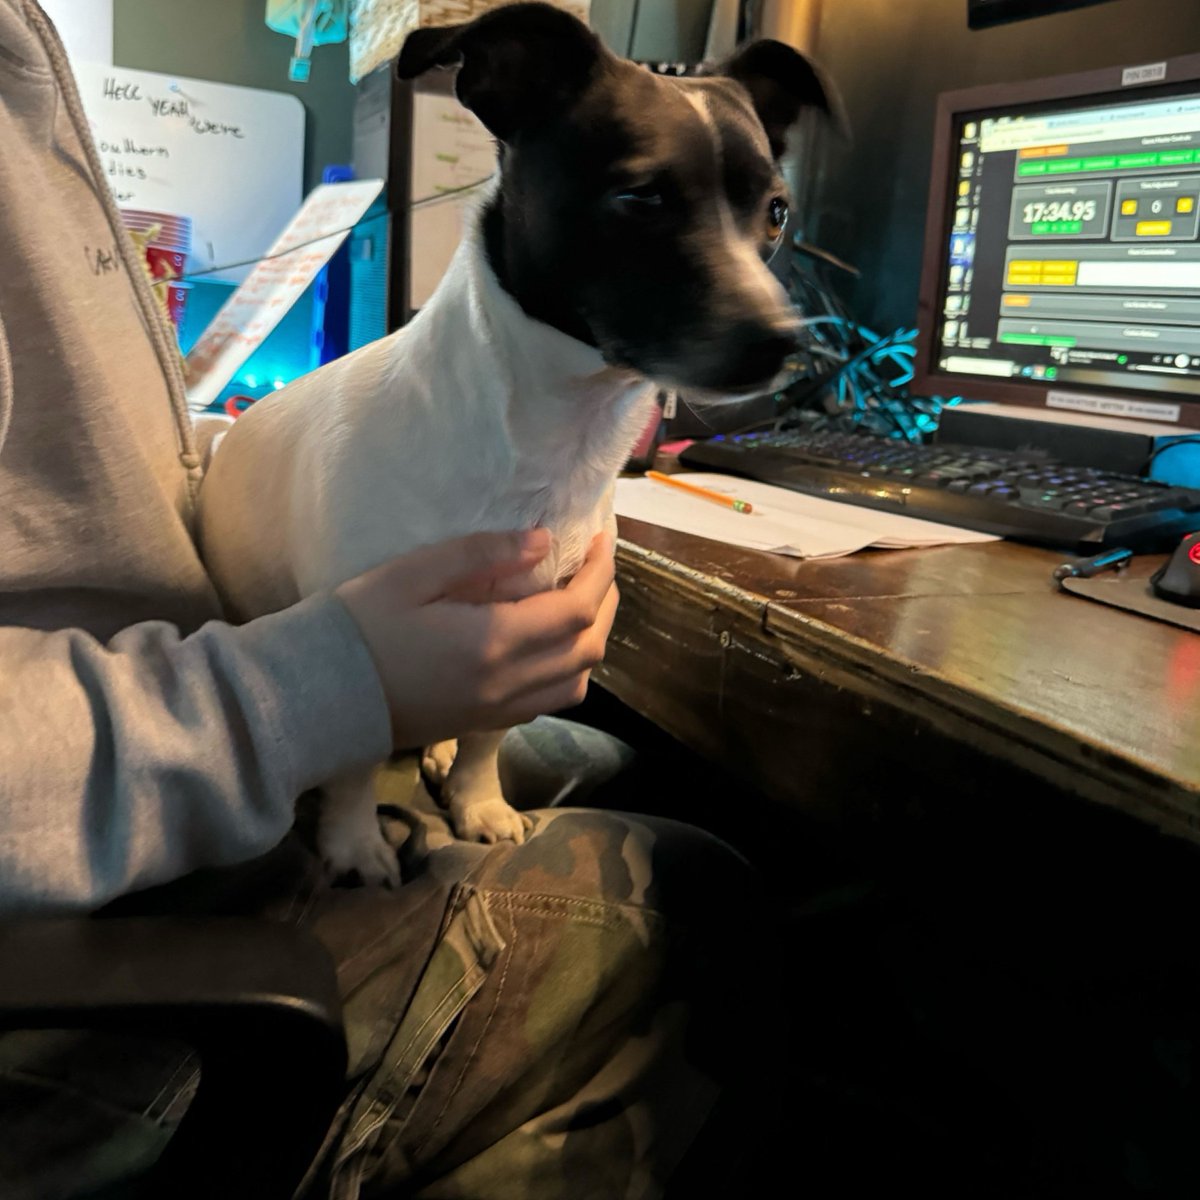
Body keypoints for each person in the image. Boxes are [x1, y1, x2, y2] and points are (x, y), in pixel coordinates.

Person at [0, 3, 760, 1198]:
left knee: (622, 763)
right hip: (90, 963)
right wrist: (329, 684)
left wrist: (235, 457)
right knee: (700, 887)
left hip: (172, 753)